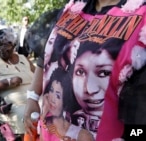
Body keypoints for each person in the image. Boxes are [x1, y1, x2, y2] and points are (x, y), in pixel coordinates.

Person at [23, 0, 146, 141]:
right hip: (51, 134)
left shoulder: (142, 16)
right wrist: (32, 97)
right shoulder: (72, 9)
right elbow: (47, 54)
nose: (89, 89)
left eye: (103, 72)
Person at [0, 29, 35, 139]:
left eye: (7, 45)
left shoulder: (24, 59)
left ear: (13, 45)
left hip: (33, 99)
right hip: (12, 105)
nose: (2, 49)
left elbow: (38, 77)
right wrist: (6, 82)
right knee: (28, 116)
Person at [41, 67, 93, 141]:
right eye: (51, 91)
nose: (52, 99)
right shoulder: (45, 122)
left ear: (66, 102)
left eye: (58, 96)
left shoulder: (81, 135)